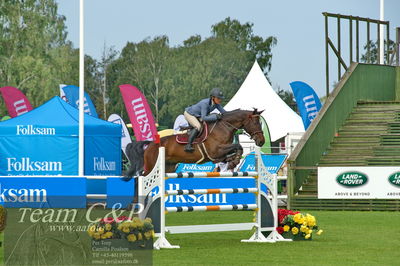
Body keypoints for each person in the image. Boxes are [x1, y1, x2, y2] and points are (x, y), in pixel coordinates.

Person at [183, 88, 226, 152]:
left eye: (220, 98)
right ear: (213, 98)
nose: (220, 100)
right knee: (198, 126)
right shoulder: (205, 103)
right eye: (218, 98)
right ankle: (188, 145)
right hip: (190, 114)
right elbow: (204, 118)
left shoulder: (216, 104)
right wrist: (216, 117)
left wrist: (233, 116)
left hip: (198, 115)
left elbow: (224, 113)